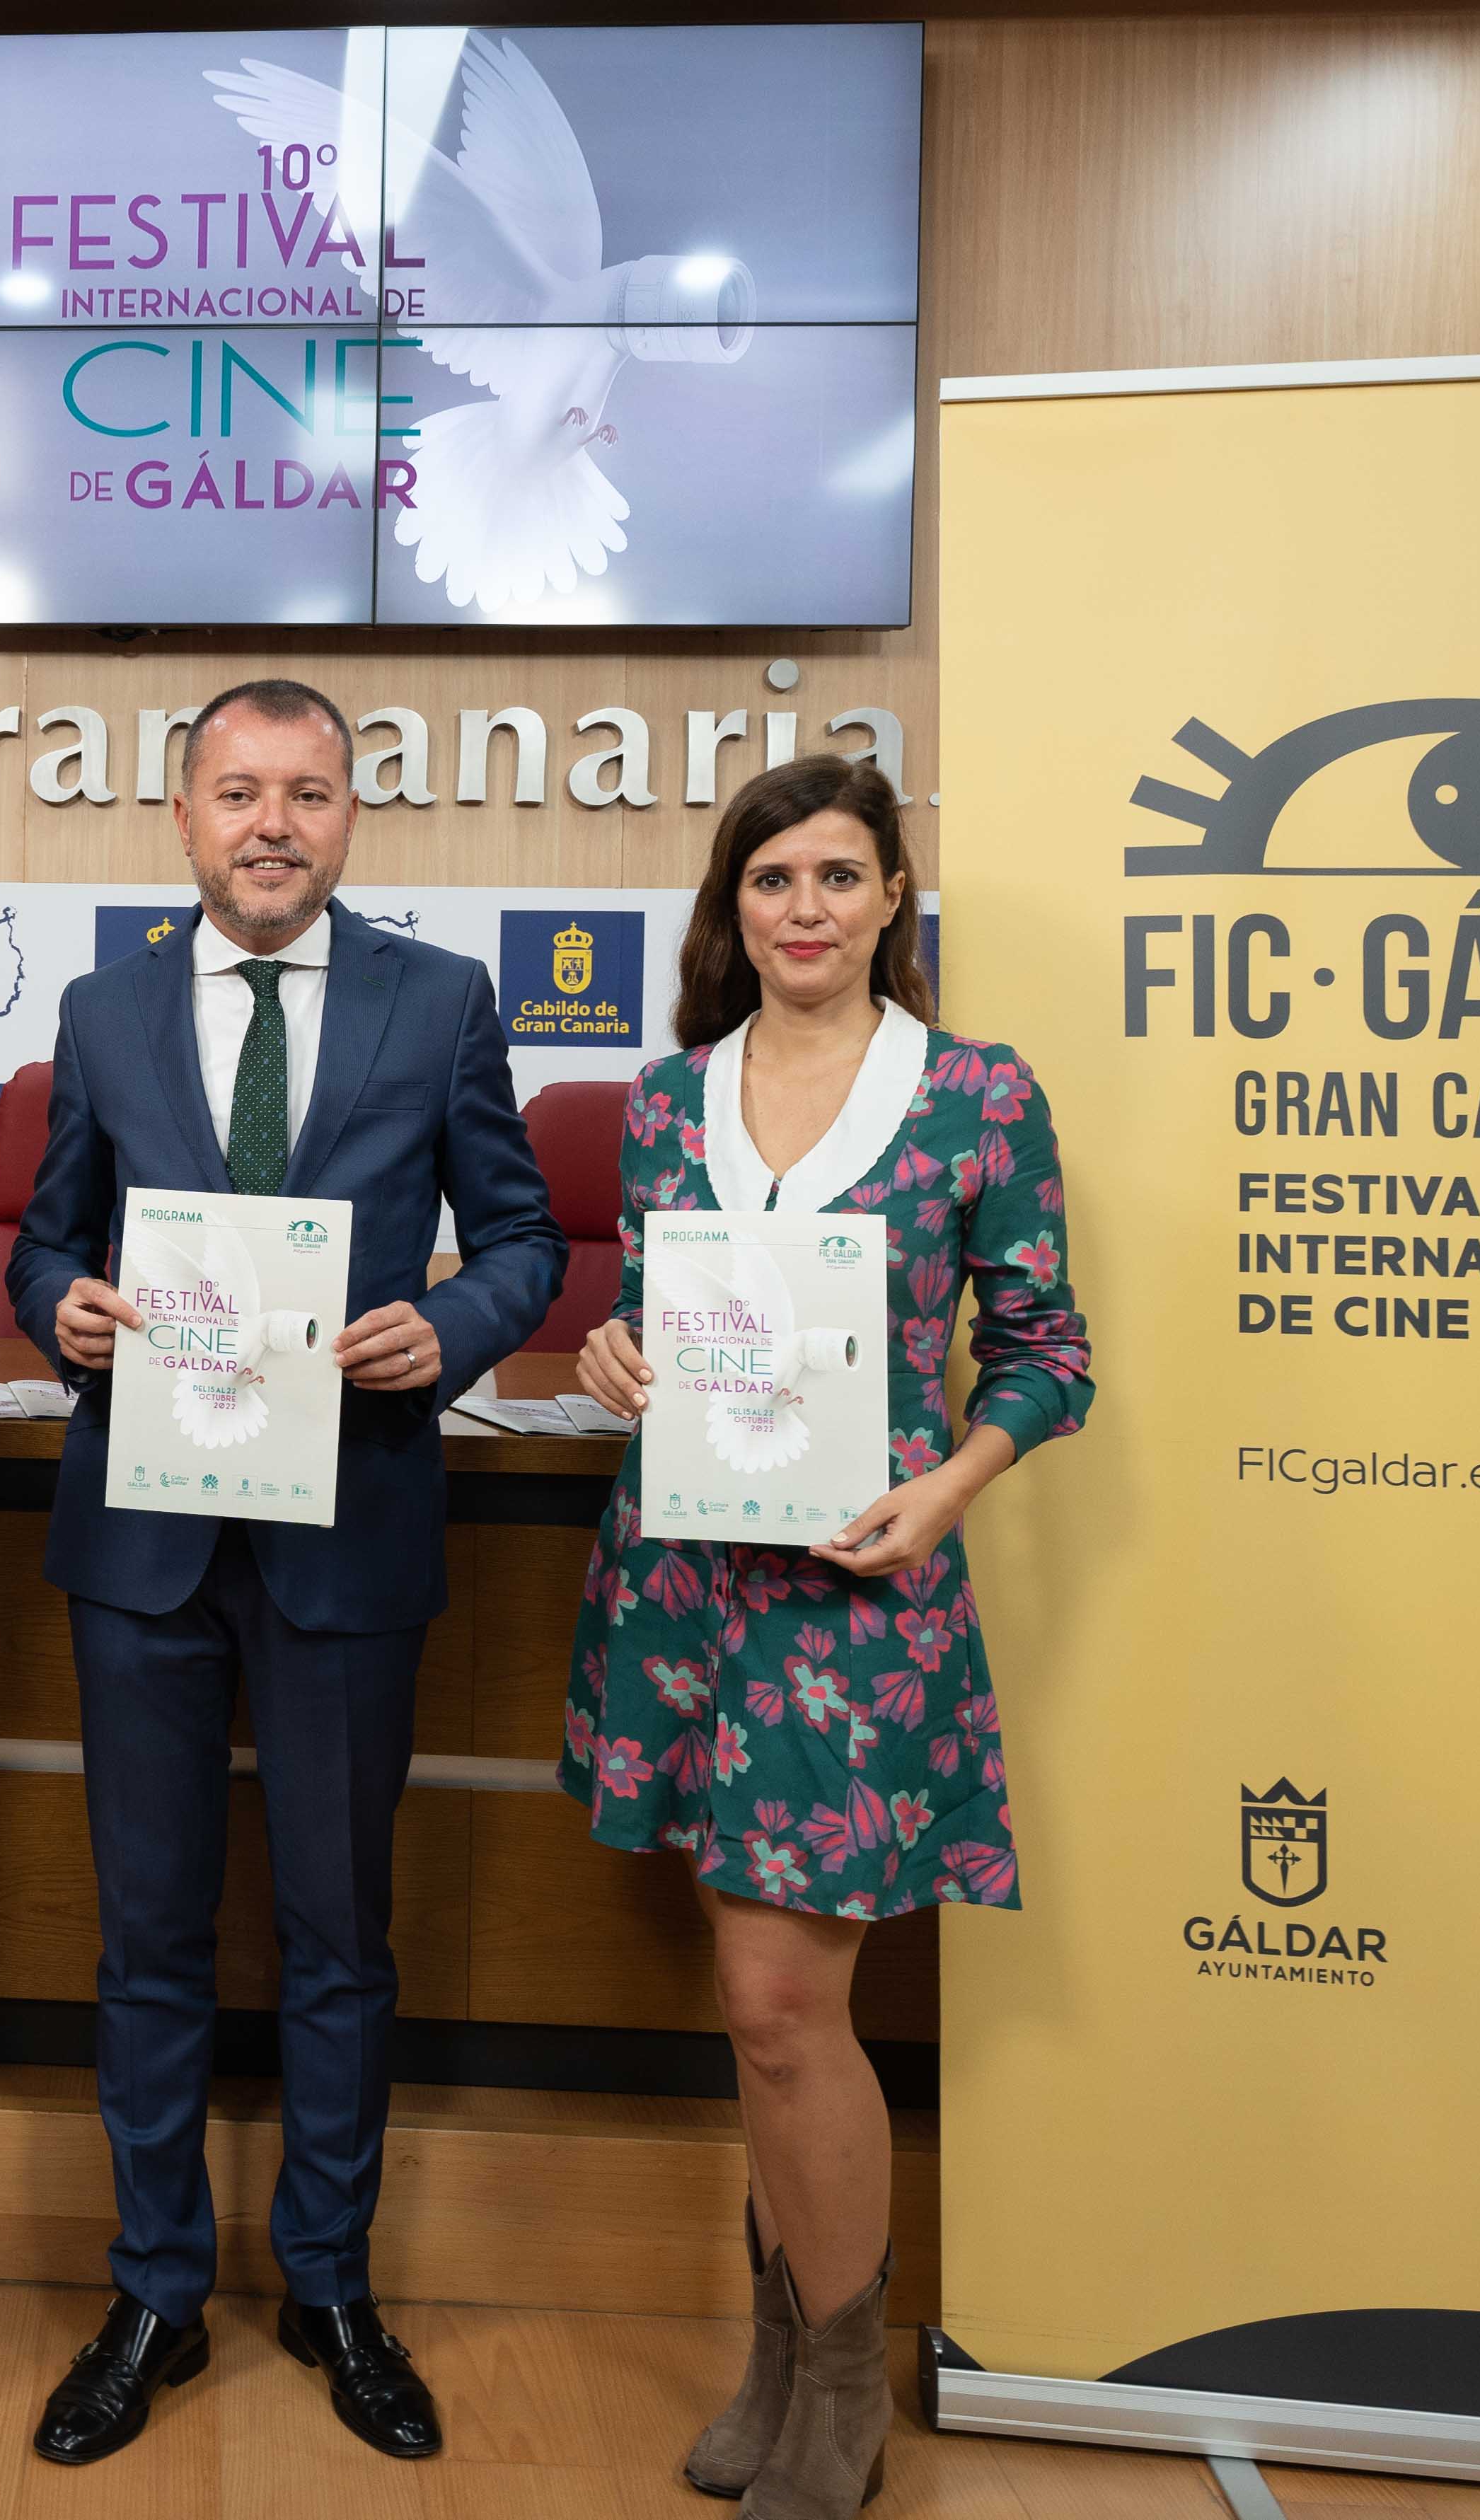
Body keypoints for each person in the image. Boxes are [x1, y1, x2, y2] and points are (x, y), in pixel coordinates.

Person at [5, 678, 566, 2468]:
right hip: (145, 1536)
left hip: (350, 1522)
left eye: (307, 793)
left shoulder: (442, 999)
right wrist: (60, 1307)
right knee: (149, 1936)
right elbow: (43, 1241)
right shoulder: (101, 1008)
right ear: (183, 816)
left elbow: (527, 1235)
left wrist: (454, 1327)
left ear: (348, 818)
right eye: (239, 792)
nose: (272, 824)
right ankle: (156, 2286)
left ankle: (329, 2281)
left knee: (338, 1937)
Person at [565, 752, 1090, 2515]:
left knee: (785, 2002)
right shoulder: (668, 1099)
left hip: (861, 1600)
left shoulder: (979, 1094)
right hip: (684, 1594)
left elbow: (1047, 1351)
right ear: (736, 909)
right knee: (758, 2010)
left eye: (839, 875)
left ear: (891, 900)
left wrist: (952, 1485)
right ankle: (783, 2353)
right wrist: (612, 1352)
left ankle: (845, 2378)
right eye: (773, 878)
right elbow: (656, 1325)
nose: (806, 907)